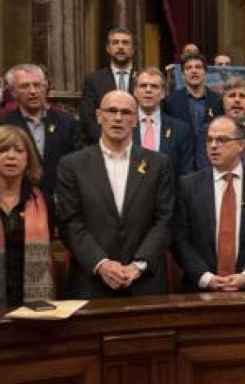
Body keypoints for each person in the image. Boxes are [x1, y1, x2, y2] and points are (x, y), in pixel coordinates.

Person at [57, 91, 174, 298]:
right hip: (91, 284)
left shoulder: (159, 164)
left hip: (145, 285)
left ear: (136, 120)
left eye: (126, 112)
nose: (118, 118)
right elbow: (70, 222)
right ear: (98, 116)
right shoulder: (72, 165)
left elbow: (164, 220)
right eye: (111, 111)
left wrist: (138, 266)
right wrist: (101, 264)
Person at [172, 116, 245, 292]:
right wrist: (205, 278)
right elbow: (179, 239)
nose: (213, 146)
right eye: (209, 140)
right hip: (199, 290)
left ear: (241, 145)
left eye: (222, 140)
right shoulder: (188, 186)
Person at [0, 64, 79, 202]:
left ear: (46, 87)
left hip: (60, 201)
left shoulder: (67, 122)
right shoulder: (4, 123)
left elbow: (76, 164)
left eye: (37, 85)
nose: (33, 91)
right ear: (13, 92)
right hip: (19, 202)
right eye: (25, 86)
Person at [0, 126, 56, 310]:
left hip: (29, 303)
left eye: (18, 150)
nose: (11, 156)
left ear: (28, 158)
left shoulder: (43, 201)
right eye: (3, 149)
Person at [132, 68, 195, 176]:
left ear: (163, 93)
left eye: (154, 86)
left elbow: (186, 175)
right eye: (143, 86)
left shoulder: (181, 130)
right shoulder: (124, 126)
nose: (148, 90)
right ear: (135, 92)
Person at [80, 27, 136, 143]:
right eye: (115, 43)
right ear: (108, 49)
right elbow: (88, 119)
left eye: (125, 43)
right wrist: (107, 141)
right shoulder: (94, 80)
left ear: (132, 49)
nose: (120, 47)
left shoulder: (143, 80)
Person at [164, 53, 224, 158]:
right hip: (181, 159)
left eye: (198, 67)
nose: (194, 71)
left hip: (211, 158)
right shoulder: (171, 101)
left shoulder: (218, 100)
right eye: (188, 68)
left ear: (205, 72)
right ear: (183, 74)